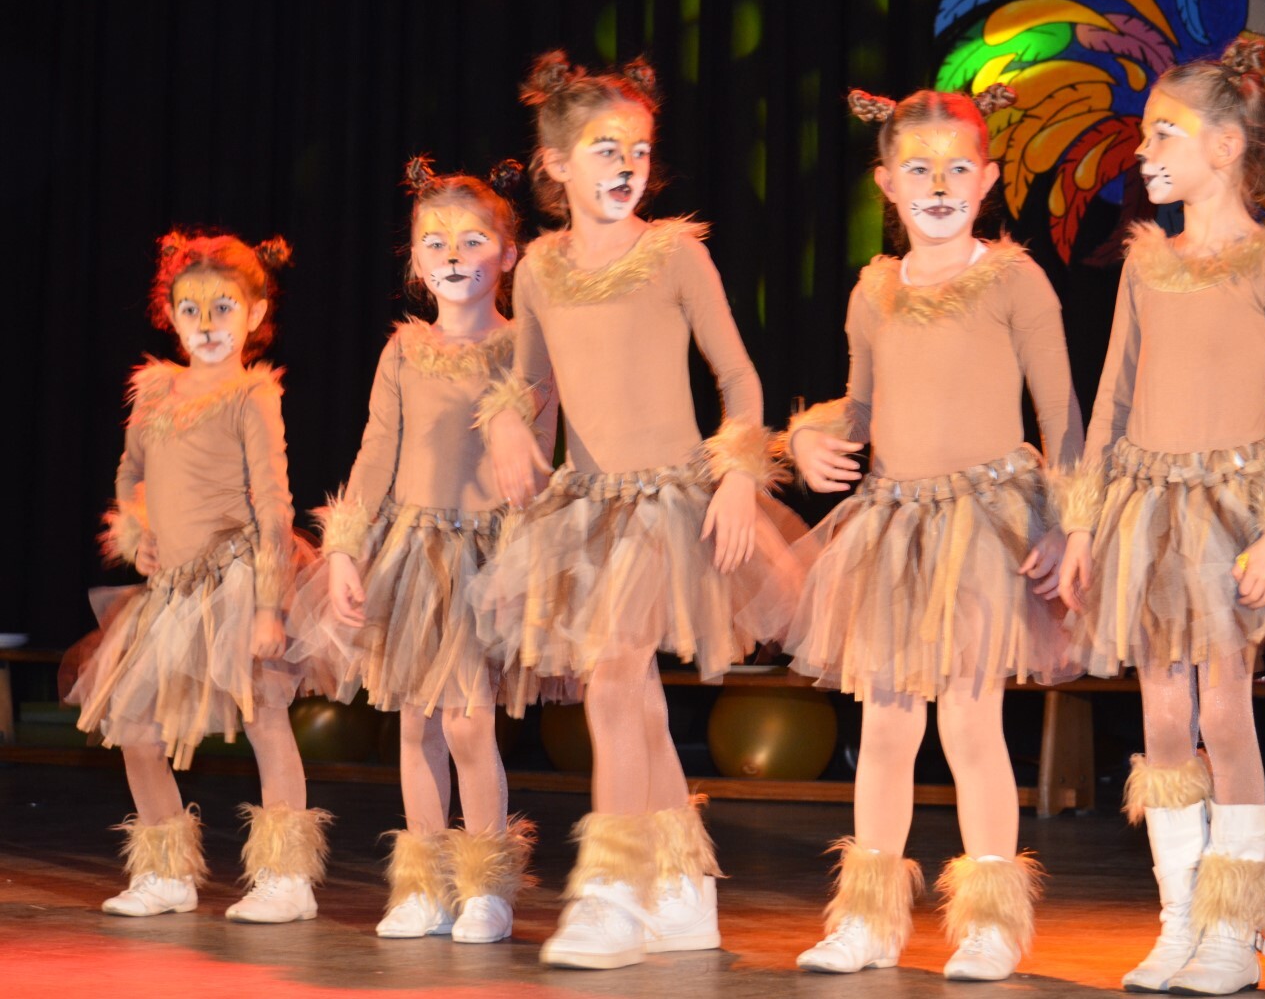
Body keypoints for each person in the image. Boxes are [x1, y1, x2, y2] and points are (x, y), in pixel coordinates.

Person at [474, 51, 804, 969]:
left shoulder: (674, 253)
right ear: (554, 164)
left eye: (640, 149)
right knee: (634, 702)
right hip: (589, 511)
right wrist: (505, 422)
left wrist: (738, 473)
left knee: (617, 678)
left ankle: (612, 889)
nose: (626, 165)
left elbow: (739, 380)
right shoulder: (539, 269)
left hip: (671, 503)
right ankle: (684, 890)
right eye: (604, 148)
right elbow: (530, 382)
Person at [1056, 37, 1265, 995]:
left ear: (1226, 147)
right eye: (1144, 132)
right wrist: (1082, 524)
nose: (1143, 149)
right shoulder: (1145, 264)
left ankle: (1233, 930)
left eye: (1164, 132)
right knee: (1161, 715)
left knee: (1225, 709)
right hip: (1147, 511)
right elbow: (1111, 400)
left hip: (1232, 512)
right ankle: (1179, 920)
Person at [784, 84, 1083, 982]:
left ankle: (990, 922)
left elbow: (1062, 416)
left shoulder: (1014, 280)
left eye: (958, 168)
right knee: (883, 721)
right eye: (918, 169)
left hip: (985, 522)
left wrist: (1067, 523)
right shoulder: (873, 290)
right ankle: (869, 919)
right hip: (894, 525)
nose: (939, 185)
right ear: (886, 183)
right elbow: (861, 406)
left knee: (969, 719)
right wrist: (804, 438)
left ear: (986, 180)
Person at [290, 157, 548, 943]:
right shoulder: (402, 351)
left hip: (485, 553)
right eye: (434, 243)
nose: (453, 256)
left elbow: (536, 459)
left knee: (468, 723)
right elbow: (376, 454)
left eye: (472, 241)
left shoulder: (524, 348)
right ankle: (425, 883)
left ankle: (486, 886)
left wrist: (524, 562)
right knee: (415, 724)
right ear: (414, 260)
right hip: (412, 554)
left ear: (507, 254)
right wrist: (344, 550)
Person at [70, 230, 331, 924]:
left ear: (255, 312)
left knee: (263, 716)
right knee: (135, 728)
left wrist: (270, 605)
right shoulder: (155, 392)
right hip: (172, 589)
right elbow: (130, 474)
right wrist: (138, 531)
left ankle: (286, 878)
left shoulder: (251, 395)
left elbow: (272, 503)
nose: (208, 324)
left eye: (224, 308)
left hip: (238, 574)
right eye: (191, 310)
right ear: (170, 315)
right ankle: (166, 874)